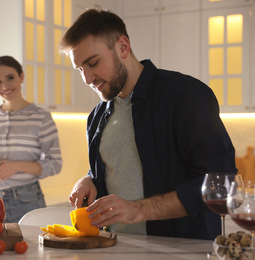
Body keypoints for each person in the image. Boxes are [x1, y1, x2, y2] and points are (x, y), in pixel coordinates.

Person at [59, 9, 237, 239]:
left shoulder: (186, 95)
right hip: (116, 248)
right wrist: (90, 179)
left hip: (184, 252)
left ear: (123, 47)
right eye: (80, 69)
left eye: (93, 63)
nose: (87, 79)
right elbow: (119, 169)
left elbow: (220, 183)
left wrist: (137, 210)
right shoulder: (96, 117)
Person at [0, 55, 63, 223]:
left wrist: (16, 167)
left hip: (26, 200)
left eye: (10, 78)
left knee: (30, 249)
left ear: (21, 77)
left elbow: (56, 164)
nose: (5, 86)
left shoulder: (40, 117)